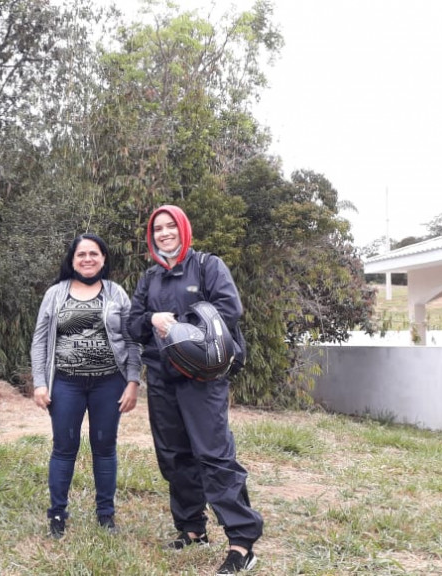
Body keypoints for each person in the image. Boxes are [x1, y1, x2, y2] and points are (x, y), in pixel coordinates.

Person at [124, 205, 263, 575]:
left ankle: (241, 542)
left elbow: (229, 309)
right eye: (158, 229)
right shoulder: (150, 278)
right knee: (174, 456)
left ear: (183, 230)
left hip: (203, 376)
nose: (164, 233)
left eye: (171, 227)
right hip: (162, 378)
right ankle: (191, 528)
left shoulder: (207, 266)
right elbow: (132, 325)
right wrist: (151, 318)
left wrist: (181, 327)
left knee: (214, 455)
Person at [30, 233, 142, 539]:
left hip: (110, 383)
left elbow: (133, 340)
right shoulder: (55, 294)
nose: (88, 259)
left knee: (105, 448)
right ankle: (57, 515)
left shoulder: (117, 293)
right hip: (66, 384)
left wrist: (133, 380)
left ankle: (105, 514)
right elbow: (40, 341)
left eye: (94, 254)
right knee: (64, 448)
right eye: (81, 254)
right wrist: (40, 383)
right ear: (72, 259)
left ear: (104, 259)